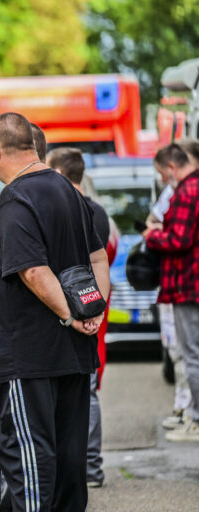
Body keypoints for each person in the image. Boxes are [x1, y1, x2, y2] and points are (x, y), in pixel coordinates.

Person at [0, 112, 110, 511]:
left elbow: (32, 269)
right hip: (65, 355)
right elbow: (98, 257)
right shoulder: (68, 191)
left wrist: (71, 314)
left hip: (24, 356)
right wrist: (91, 309)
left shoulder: (17, 197)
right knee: (66, 461)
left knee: (29, 459)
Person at [47, 147, 112, 487]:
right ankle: (90, 468)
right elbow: (104, 260)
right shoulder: (97, 211)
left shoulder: (70, 210)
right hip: (93, 310)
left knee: (83, 391)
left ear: (58, 172)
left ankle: (87, 468)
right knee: (88, 388)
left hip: (74, 312)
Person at [144, 144, 199, 443]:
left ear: (171, 167)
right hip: (190, 283)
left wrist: (153, 236)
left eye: (162, 174)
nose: (163, 180)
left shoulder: (188, 192)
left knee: (192, 355)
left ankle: (197, 420)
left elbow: (179, 239)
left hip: (188, 284)